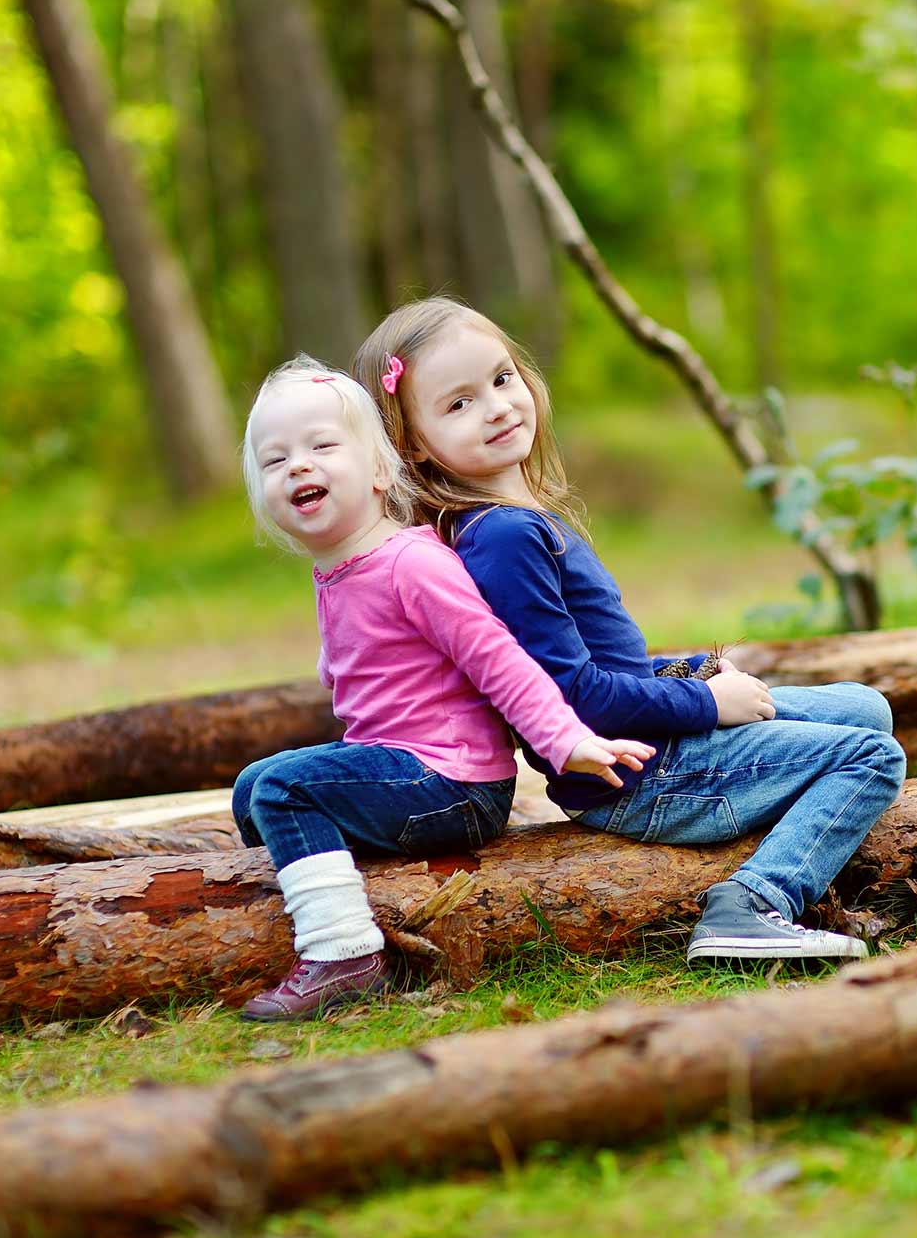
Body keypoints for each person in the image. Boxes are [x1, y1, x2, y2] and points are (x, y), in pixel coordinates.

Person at [353, 299, 906, 963]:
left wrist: (693, 670)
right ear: (413, 444)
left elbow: (601, 658)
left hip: (650, 738)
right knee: (872, 757)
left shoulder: (515, 518)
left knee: (866, 709)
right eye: (459, 404)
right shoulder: (503, 538)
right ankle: (754, 901)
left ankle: (780, 790)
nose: (497, 407)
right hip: (640, 775)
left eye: (501, 380)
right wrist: (707, 705)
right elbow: (571, 698)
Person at [232, 356, 655, 1020]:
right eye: (274, 459)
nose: (298, 466)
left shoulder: (411, 562)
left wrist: (565, 738)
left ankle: (344, 956)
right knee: (255, 787)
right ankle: (320, 885)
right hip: (407, 769)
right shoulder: (340, 570)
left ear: (378, 472)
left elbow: (498, 660)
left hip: (454, 784)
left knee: (285, 788)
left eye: (321, 447)